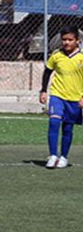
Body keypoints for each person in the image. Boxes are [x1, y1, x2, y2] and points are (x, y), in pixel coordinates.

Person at [39, 25, 83, 169]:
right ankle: (52, 155)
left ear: (77, 40)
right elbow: (47, 71)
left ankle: (63, 157)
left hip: (75, 98)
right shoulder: (56, 55)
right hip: (58, 95)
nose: (66, 42)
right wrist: (43, 91)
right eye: (64, 39)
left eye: (70, 39)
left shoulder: (81, 57)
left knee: (68, 128)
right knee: (54, 122)